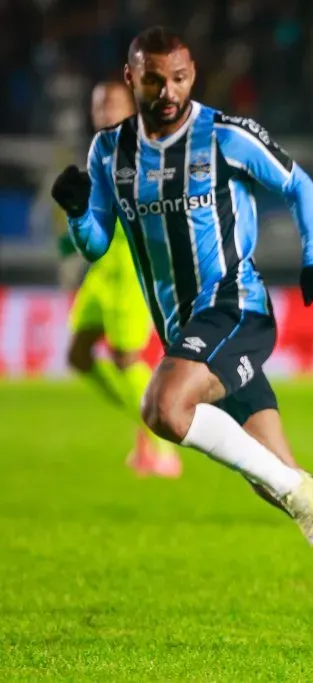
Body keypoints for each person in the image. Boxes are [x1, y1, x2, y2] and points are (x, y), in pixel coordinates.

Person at [50, 26, 313, 615]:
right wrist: (79, 212)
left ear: (192, 75)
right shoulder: (110, 152)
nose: (168, 90)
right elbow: (97, 243)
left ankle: (295, 489)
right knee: (279, 480)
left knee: (164, 407)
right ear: (132, 79)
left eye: (178, 77)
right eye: (154, 78)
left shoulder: (222, 135)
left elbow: (298, 185)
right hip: (186, 330)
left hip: (236, 309)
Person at [60, 81, 181, 478]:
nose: (103, 112)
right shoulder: (99, 152)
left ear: (131, 109)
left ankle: (163, 447)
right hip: (102, 269)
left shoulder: (145, 151)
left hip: (131, 267)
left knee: (126, 358)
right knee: (78, 355)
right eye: (98, 106)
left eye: (111, 104)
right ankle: (145, 417)